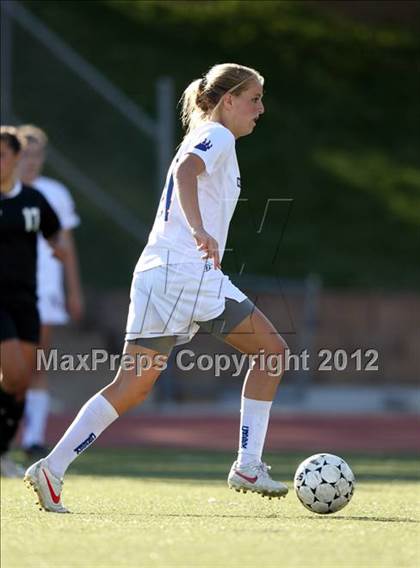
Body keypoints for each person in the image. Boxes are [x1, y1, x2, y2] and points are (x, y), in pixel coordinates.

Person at [25, 63, 289, 513]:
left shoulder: (209, 134)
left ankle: (52, 467)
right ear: (229, 100)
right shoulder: (218, 136)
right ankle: (248, 463)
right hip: (187, 271)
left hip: (156, 272)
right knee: (272, 353)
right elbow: (187, 172)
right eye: (254, 99)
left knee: (131, 385)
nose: (260, 109)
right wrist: (201, 229)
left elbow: (188, 173)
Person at [0, 127, 66, 477]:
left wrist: (60, 252)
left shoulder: (34, 200)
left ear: (15, 158)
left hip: (26, 298)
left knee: (21, 380)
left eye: (2, 155)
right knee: (11, 370)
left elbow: (55, 234)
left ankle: (2, 449)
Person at [17, 125, 83, 459]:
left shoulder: (54, 193)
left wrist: (74, 291)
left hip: (44, 290)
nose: (31, 161)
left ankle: (34, 438)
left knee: (37, 363)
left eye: (37, 154)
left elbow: (65, 245)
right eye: (25, 154)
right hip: (8, 290)